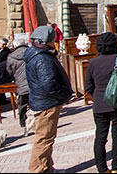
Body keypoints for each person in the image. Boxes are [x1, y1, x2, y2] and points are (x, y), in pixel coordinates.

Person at [84, 32, 117, 174]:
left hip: (99, 105)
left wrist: (98, 95)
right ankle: (116, 167)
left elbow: (88, 86)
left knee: (100, 137)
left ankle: (101, 168)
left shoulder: (92, 63)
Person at [24, 25, 73, 173]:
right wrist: (64, 94)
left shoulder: (33, 54)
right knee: (43, 140)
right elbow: (49, 84)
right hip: (47, 103)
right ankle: (37, 170)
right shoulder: (42, 58)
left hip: (42, 101)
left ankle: (47, 168)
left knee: (47, 139)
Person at [7, 37, 34, 135]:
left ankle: (22, 121)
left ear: (15, 46)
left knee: (22, 104)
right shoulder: (31, 52)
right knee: (34, 102)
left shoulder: (11, 57)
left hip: (21, 83)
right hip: (32, 82)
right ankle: (37, 120)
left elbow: (9, 71)